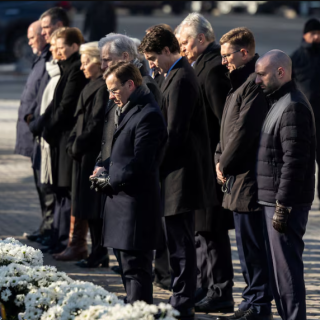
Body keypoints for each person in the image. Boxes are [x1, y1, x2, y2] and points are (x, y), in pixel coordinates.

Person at [139, 26, 215, 319]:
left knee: (181, 242)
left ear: (169, 51)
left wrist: (152, 165)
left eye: (153, 57)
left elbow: (175, 133)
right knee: (177, 241)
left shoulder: (182, 78)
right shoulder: (173, 73)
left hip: (181, 175)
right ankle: (181, 295)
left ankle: (183, 300)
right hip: (174, 174)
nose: (151, 64)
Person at [92, 61, 167, 303]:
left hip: (136, 208)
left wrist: (110, 180)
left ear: (130, 84)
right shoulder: (125, 108)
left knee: (136, 271)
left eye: (114, 90)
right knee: (127, 269)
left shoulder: (148, 114)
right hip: (120, 205)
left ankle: (140, 314)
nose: (111, 96)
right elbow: (118, 152)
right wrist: (102, 170)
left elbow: (141, 163)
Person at [215, 28, 272, 320]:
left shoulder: (253, 84)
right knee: (245, 247)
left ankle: (259, 305)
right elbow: (224, 131)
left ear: (244, 53)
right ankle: (250, 301)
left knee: (254, 248)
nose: (223, 61)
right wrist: (218, 158)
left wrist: (224, 164)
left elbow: (244, 133)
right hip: (236, 179)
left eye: (227, 56)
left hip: (249, 180)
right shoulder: (236, 83)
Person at [178, 13, 234, 313]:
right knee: (201, 231)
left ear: (202, 38)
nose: (182, 48)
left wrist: (220, 160)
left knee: (212, 231)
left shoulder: (212, 69)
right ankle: (206, 285)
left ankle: (221, 290)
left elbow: (223, 120)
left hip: (211, 164)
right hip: (199, 164)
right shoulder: (198, 64)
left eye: (185, 42)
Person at [255, 50, 316, 320]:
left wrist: (283, 206)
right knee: (279, 275)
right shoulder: (279, 101)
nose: (257, 80)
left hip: (284, 205)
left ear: (281, 73)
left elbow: (295, 162)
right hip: (273, 200)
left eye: (262, 74)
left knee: (287, 273)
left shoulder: (292, 106)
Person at [41, 27, 88, 260]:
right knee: (60, 191)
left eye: (60, 46)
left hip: (67, 136)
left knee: (68, 192)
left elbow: (66, 105)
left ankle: (69, 241)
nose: (56, 50)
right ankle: (60, 238)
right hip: (60, 137)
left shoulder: (76, 69)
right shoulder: (67, 66)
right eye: (54, 46)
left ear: (73, 46)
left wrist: (47, 128)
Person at [66, 42, 109, 266]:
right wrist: (72, 143)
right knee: (87, 206)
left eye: (86, 62)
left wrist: (77, 145)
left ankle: (99, 252)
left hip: (92, 154)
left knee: (95, 207)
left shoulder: (102, 86)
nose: (82, 67)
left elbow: (95, 124)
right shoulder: (91, 83)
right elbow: (79, 121)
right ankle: (97, 252)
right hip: (82, 154)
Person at [15, 21, 51, 242]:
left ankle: (51, 230)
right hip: (33, 131)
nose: (29, 42)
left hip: (40, 130)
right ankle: (46, 227)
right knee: (41, 186)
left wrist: (34, 120)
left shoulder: (49, 59)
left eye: (32, 37)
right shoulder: (41, 58)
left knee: (47, 187)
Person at [291, 18, 320, 204]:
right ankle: (298, 199)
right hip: (303, 121)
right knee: (301, 162)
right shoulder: (296, 58)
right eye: (313, 33)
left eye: (319, 33)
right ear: (305, 35)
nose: (317, 36)